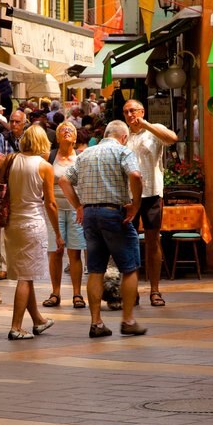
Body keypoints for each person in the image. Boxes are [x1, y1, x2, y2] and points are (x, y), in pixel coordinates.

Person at [60, 120, 148, 338]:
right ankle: (128, 320)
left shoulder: (86, 154)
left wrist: (79, 205)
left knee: (96, 269)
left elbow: (63, 180)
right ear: (124, 137)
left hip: (89, 215)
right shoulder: (122, 151)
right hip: (113, 213)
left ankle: (96, 323)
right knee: (129, 267)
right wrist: (136, 205)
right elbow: (136, 176)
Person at [3, 125, 61, 339]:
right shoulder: (44, 166)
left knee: (25, 274)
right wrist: (57, 232)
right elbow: (51, 204)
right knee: (25, 278)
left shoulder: (11, 160)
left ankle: (38, 319)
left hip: (12, 224)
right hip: (32, 224)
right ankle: (16, 327)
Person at [122, 99, 178, 307]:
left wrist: (145, 124)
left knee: (153, 241)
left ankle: (155, 290)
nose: (129, 115)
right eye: (126, 112)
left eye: (133, 110)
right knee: (129, 241)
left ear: (142, 111)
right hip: (128, 196)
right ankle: (132, 289)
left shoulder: (154, 130)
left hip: (152, 193)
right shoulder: (123, 135)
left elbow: (172, 138)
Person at [41, 122, 87, 309]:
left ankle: (77, 293)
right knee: (55, 252)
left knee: (75, 252)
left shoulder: (82, 157)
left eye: (71, 130)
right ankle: (55, 292)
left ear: (76, 138)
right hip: (54, 209)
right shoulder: (49, 156)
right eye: (63, 130)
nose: (67, 131)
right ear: (57, 137)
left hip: (76, 210)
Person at [0, 109, 28, 279]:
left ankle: (19, 263)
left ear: (24, 123)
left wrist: (9, 160)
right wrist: (17, 160)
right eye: (12, 121)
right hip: (6, 185)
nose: (13, 124)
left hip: (25, 186)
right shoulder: (1, 138)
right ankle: (3, 266)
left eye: (17, 122)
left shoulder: (29, 138)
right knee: (3, 226)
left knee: (23, 225)